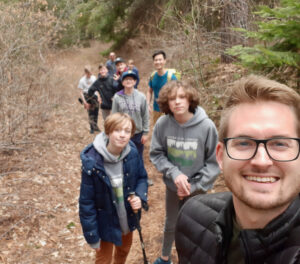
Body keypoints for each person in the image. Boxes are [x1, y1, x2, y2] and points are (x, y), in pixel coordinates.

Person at [175, 75, 300, 264]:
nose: (261, 161)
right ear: (220, 156)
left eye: (280, 144)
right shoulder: (191, 220)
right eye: (243, 143)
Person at [150, 80, 220, 264]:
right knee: (171, 223)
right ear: (166, 102)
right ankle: (165, 257)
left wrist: (193, 185)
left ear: (190, 100)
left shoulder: (206, 126)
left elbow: (214, 163)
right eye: (172, 98)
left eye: (182, 97)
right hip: (173, 188)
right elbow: (156, 154)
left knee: (197, 227)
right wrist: (174, 174)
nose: (177, 102)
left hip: (198, 189)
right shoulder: (162, 124)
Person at [79, 112, 148, 264]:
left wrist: (139, 196)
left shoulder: (133, 153)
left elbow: (142, 178)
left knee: (123, 252)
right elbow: (86, 202)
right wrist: (92, 236)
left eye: (127, 131)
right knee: (103, 260)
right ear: (108, 131)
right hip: (105, 224)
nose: (122, 135)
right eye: (118, 130)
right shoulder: (92, 162)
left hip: (127, 218)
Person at [112, 70, 149, 158]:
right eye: (126, 79)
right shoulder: (117, 97)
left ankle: (138, 171)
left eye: (131, 79)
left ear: (135, 82)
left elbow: (145, 115)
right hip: (123, 133)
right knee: (123, 157)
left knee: (138, 156)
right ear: (122, 82)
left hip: (138, 133)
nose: (128, 81)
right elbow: (114, 116)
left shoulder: (141, 96)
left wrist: (146, 133)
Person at [146, 50, 177, 125]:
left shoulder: (171, 77)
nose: (158, 62)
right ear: (153, 62)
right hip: (156, 110)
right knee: (157, 130)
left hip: (168, 110)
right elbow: (149, 91)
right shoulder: (153, 76)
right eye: (156, 60)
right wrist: (147, 104)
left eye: (160, 59)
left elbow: (177, 93)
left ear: (164, 61)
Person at [78, 65, 100, 133]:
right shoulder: (82, 80)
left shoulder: (93, 78)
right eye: (88, 73)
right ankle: (92, 128)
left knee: (96, 111)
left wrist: (99, 96)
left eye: (90, 73)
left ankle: (95, 126)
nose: (89, 75)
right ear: (85, 72)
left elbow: (97, 88)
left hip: (94, 96)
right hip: (87, 96)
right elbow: (81, 92)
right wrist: (84, 101)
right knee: (90, 112)